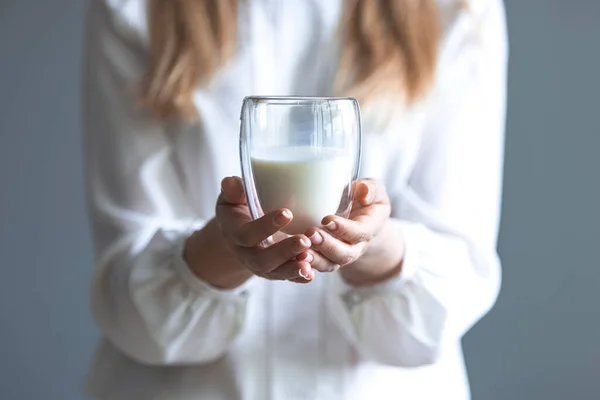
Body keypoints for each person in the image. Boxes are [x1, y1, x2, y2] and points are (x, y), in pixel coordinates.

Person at [83, 0, 507, 399]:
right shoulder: (137, 9)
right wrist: (226, 250)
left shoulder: (454, 10)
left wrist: (374, 247)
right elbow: (126, 294)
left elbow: (458, 275)